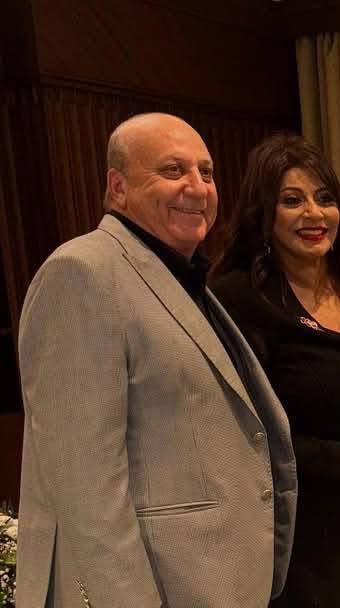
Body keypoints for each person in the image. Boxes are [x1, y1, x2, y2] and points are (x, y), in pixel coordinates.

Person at [15, 113, 297, 607]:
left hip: (216, 584)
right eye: (172, 170)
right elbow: (87, 487)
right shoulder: (82, 272)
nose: (197, 187)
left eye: (207, 173)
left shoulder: (179, 276)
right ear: (117, 187)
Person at [212, 134, 340, 606]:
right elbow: (239, 437)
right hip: (309, 537)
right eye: (292, 201)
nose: (314, 214)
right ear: (263, 214)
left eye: (324, 198)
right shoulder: (240, 299)